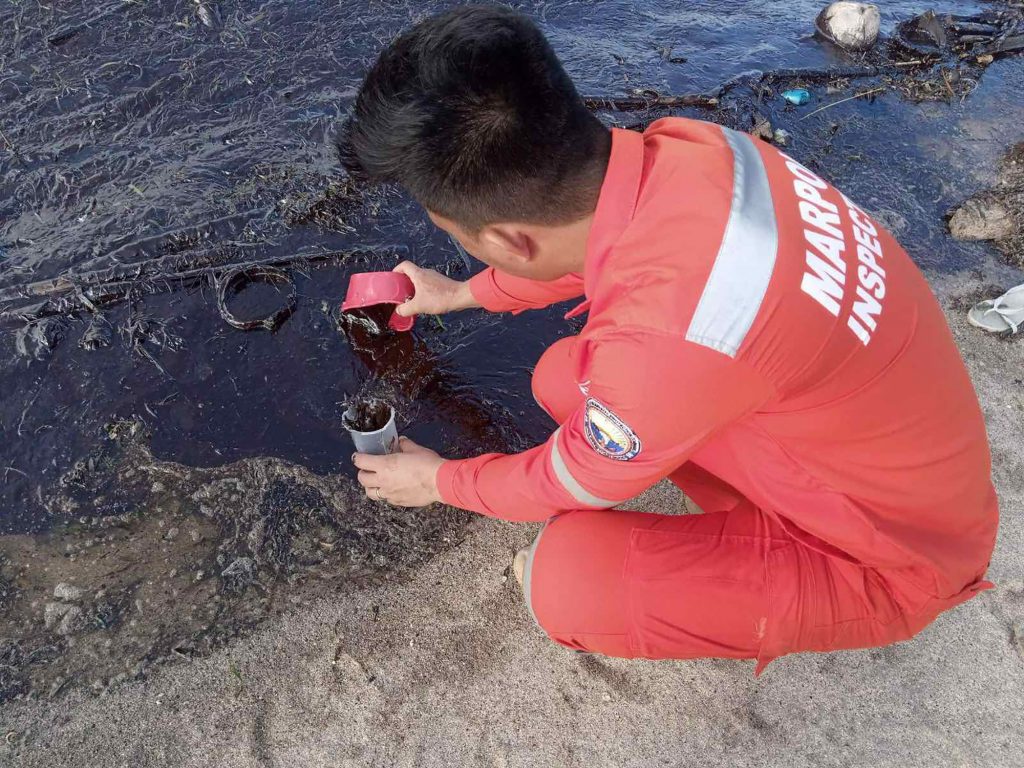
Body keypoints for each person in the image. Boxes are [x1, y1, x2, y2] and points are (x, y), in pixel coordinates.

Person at [340, 5, 998, 672]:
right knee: (563, 380)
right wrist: (457, 293)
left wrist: (441, 480)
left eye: (455, 232)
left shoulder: (671, 343)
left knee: (562, 579)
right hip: (870, 443)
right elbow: (580, 249)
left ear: (510, 240)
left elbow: (572, 478)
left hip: (895, 554)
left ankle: (814, 574)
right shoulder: (691, 149)